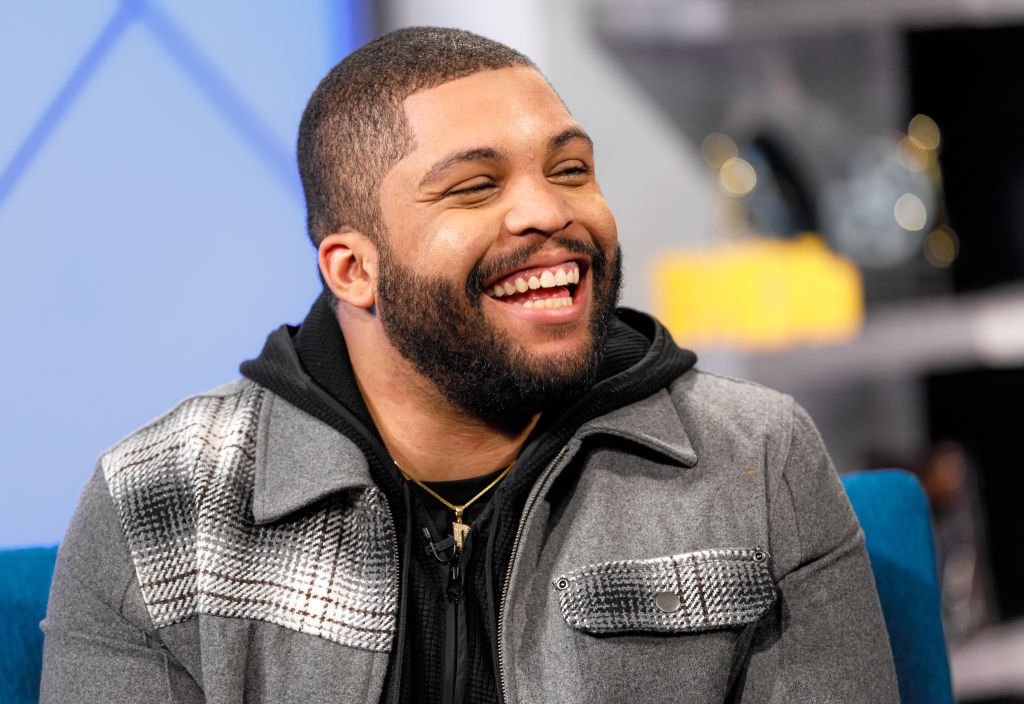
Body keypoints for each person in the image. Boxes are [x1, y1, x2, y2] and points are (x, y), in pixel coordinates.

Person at [40, 26, 898, 704]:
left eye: (571, 170)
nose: (548, 212)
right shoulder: (158, 503)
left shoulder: (756, 461)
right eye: (474, 187)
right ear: (352, 268)